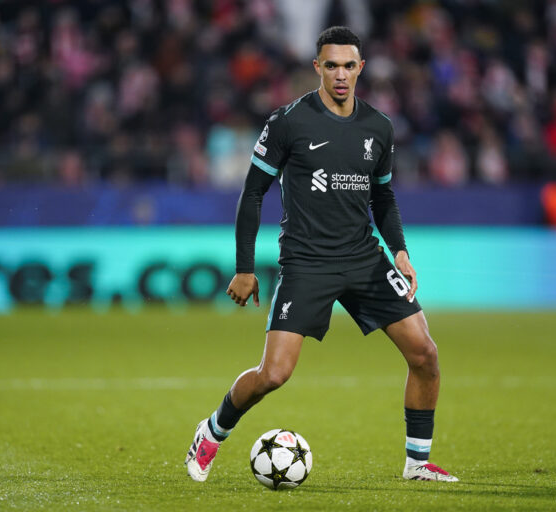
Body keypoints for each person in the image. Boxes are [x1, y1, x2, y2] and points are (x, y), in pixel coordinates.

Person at [185, 26, 458, 483]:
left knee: (425, 354)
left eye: (349, 65)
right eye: (331, 65)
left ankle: (417, 462)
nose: (340, 75)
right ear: (317, 68)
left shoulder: (379, 127)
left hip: (365, 259)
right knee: (273, 374)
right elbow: (252, 195)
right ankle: (211, 432)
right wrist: (245, 268)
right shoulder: (288, 122)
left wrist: (401, 252)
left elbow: (384, 199)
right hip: (306, 263)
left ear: (361, 69)